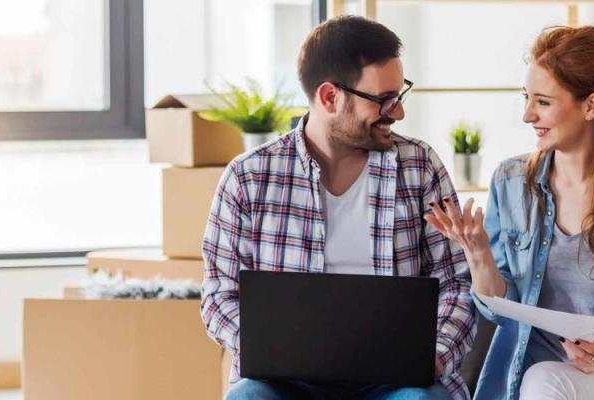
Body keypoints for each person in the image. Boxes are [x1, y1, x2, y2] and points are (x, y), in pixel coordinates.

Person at [201, 15, 476, 400]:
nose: (398, 112)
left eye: (400, 95)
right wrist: (269, 350)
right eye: (384, 100)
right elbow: (218, 295)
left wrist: (435, 355)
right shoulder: (248, 177)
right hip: (285, 382)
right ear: (330, 97)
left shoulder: (419, 166)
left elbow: (457, 283)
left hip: (397, 382)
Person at [425, 26, 594, 400]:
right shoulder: (511, 182)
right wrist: (479, 254)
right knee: (541, 379)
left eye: (543, 102)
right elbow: (501, 311)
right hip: (530, 376)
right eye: (526, 98)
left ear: (591, 106)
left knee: (546, 381)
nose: (527, 115)